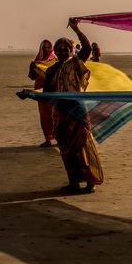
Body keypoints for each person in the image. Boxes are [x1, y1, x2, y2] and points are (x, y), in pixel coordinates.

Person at [43, 19, 103, 193]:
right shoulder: (51, 70)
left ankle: (90, 182)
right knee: (66, 149)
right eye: (59, 49)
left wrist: (76, 28)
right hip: (60, 114)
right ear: (55, 51)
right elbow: (47, 93)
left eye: (66, 48)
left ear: (70, 51)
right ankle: (73, 182)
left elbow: (87, 48)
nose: (62, 51)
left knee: (83, 145)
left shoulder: (76, 63)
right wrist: (29, 95)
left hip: (78, 111)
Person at [28, 39, 56, 147]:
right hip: (40, 93)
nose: (46, 49)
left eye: (48, 47)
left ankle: (59, 138)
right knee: (44, 116)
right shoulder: (37, 61)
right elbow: (32, 77)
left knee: (54, 115)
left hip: (52, 92)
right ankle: (48, 139)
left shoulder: (55, 61)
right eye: (44, 47)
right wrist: (32, 68)